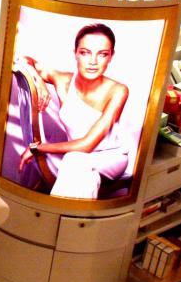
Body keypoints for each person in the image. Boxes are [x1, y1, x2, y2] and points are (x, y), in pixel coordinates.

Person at [17, 23, 129, 199]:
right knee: (76, 163)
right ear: (75, 53)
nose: (93, 61)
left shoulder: (118, 91)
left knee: (74, 160)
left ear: (111, 57)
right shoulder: (63, 81)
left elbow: (87, 145)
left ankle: (60, 212)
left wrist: (37, 148)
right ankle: (71, 215)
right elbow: (23, 60)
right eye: (85, 52)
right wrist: (39, 82)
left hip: (110, 157)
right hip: (76, 157)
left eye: (102, 54)